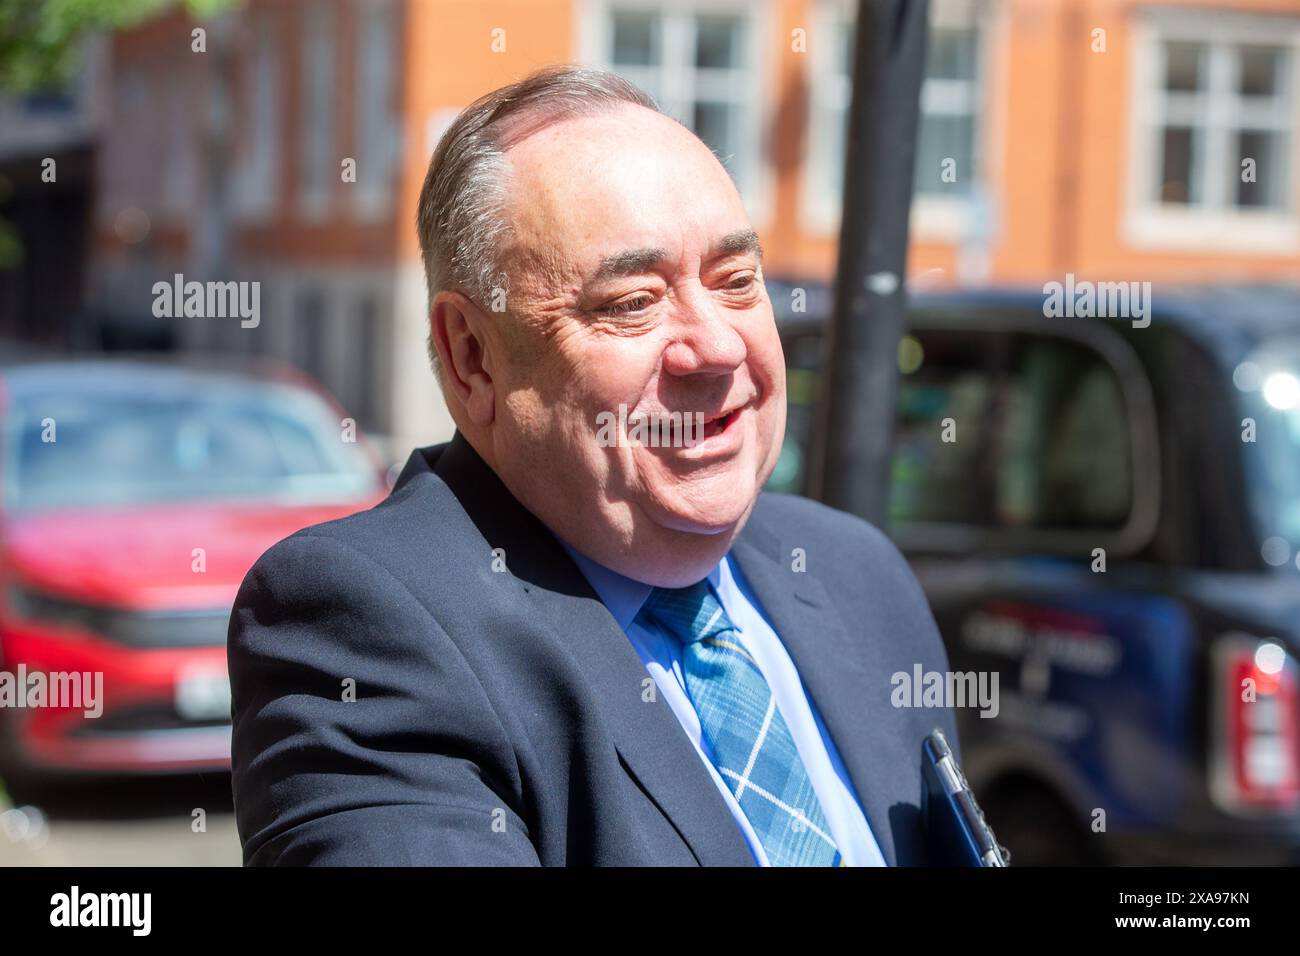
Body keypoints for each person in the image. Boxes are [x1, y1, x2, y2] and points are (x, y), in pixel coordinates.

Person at [229, 64, 958, 866]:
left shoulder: (857, 575)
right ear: (473, 358)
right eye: (632, 302)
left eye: (737, 281)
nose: (716, 346)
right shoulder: (358, 625)